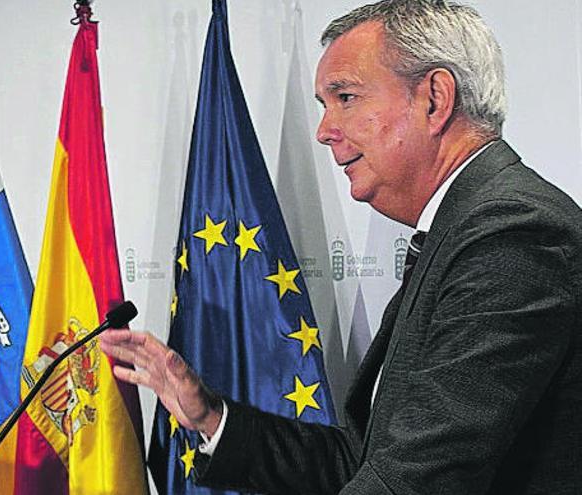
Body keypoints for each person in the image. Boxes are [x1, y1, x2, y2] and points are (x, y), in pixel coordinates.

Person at [101, 1, 582, 493]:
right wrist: (209, 417)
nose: (324, 130)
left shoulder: (513, 233)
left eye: (346, 97)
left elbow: (418, 478)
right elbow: (363, 461)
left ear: (435, 99)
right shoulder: (460, 227)